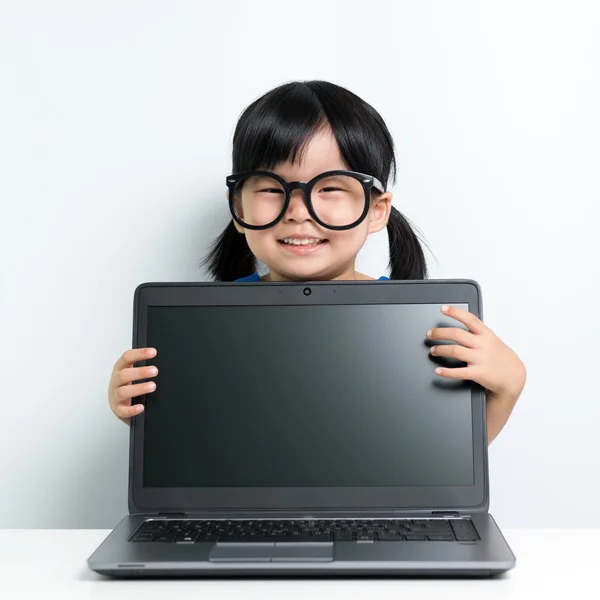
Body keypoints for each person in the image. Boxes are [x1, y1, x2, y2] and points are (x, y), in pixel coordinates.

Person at [108, 80, 526, 444]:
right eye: (272, 188)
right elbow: (201, 451)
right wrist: (134, 405)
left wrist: (508, 385)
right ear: (238, 206)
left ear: (377, 210)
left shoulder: (419, 325)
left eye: (329, 188)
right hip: (252, 517)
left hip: (373, 521)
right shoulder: (202, 328)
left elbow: (440, 468)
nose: (298, 210)